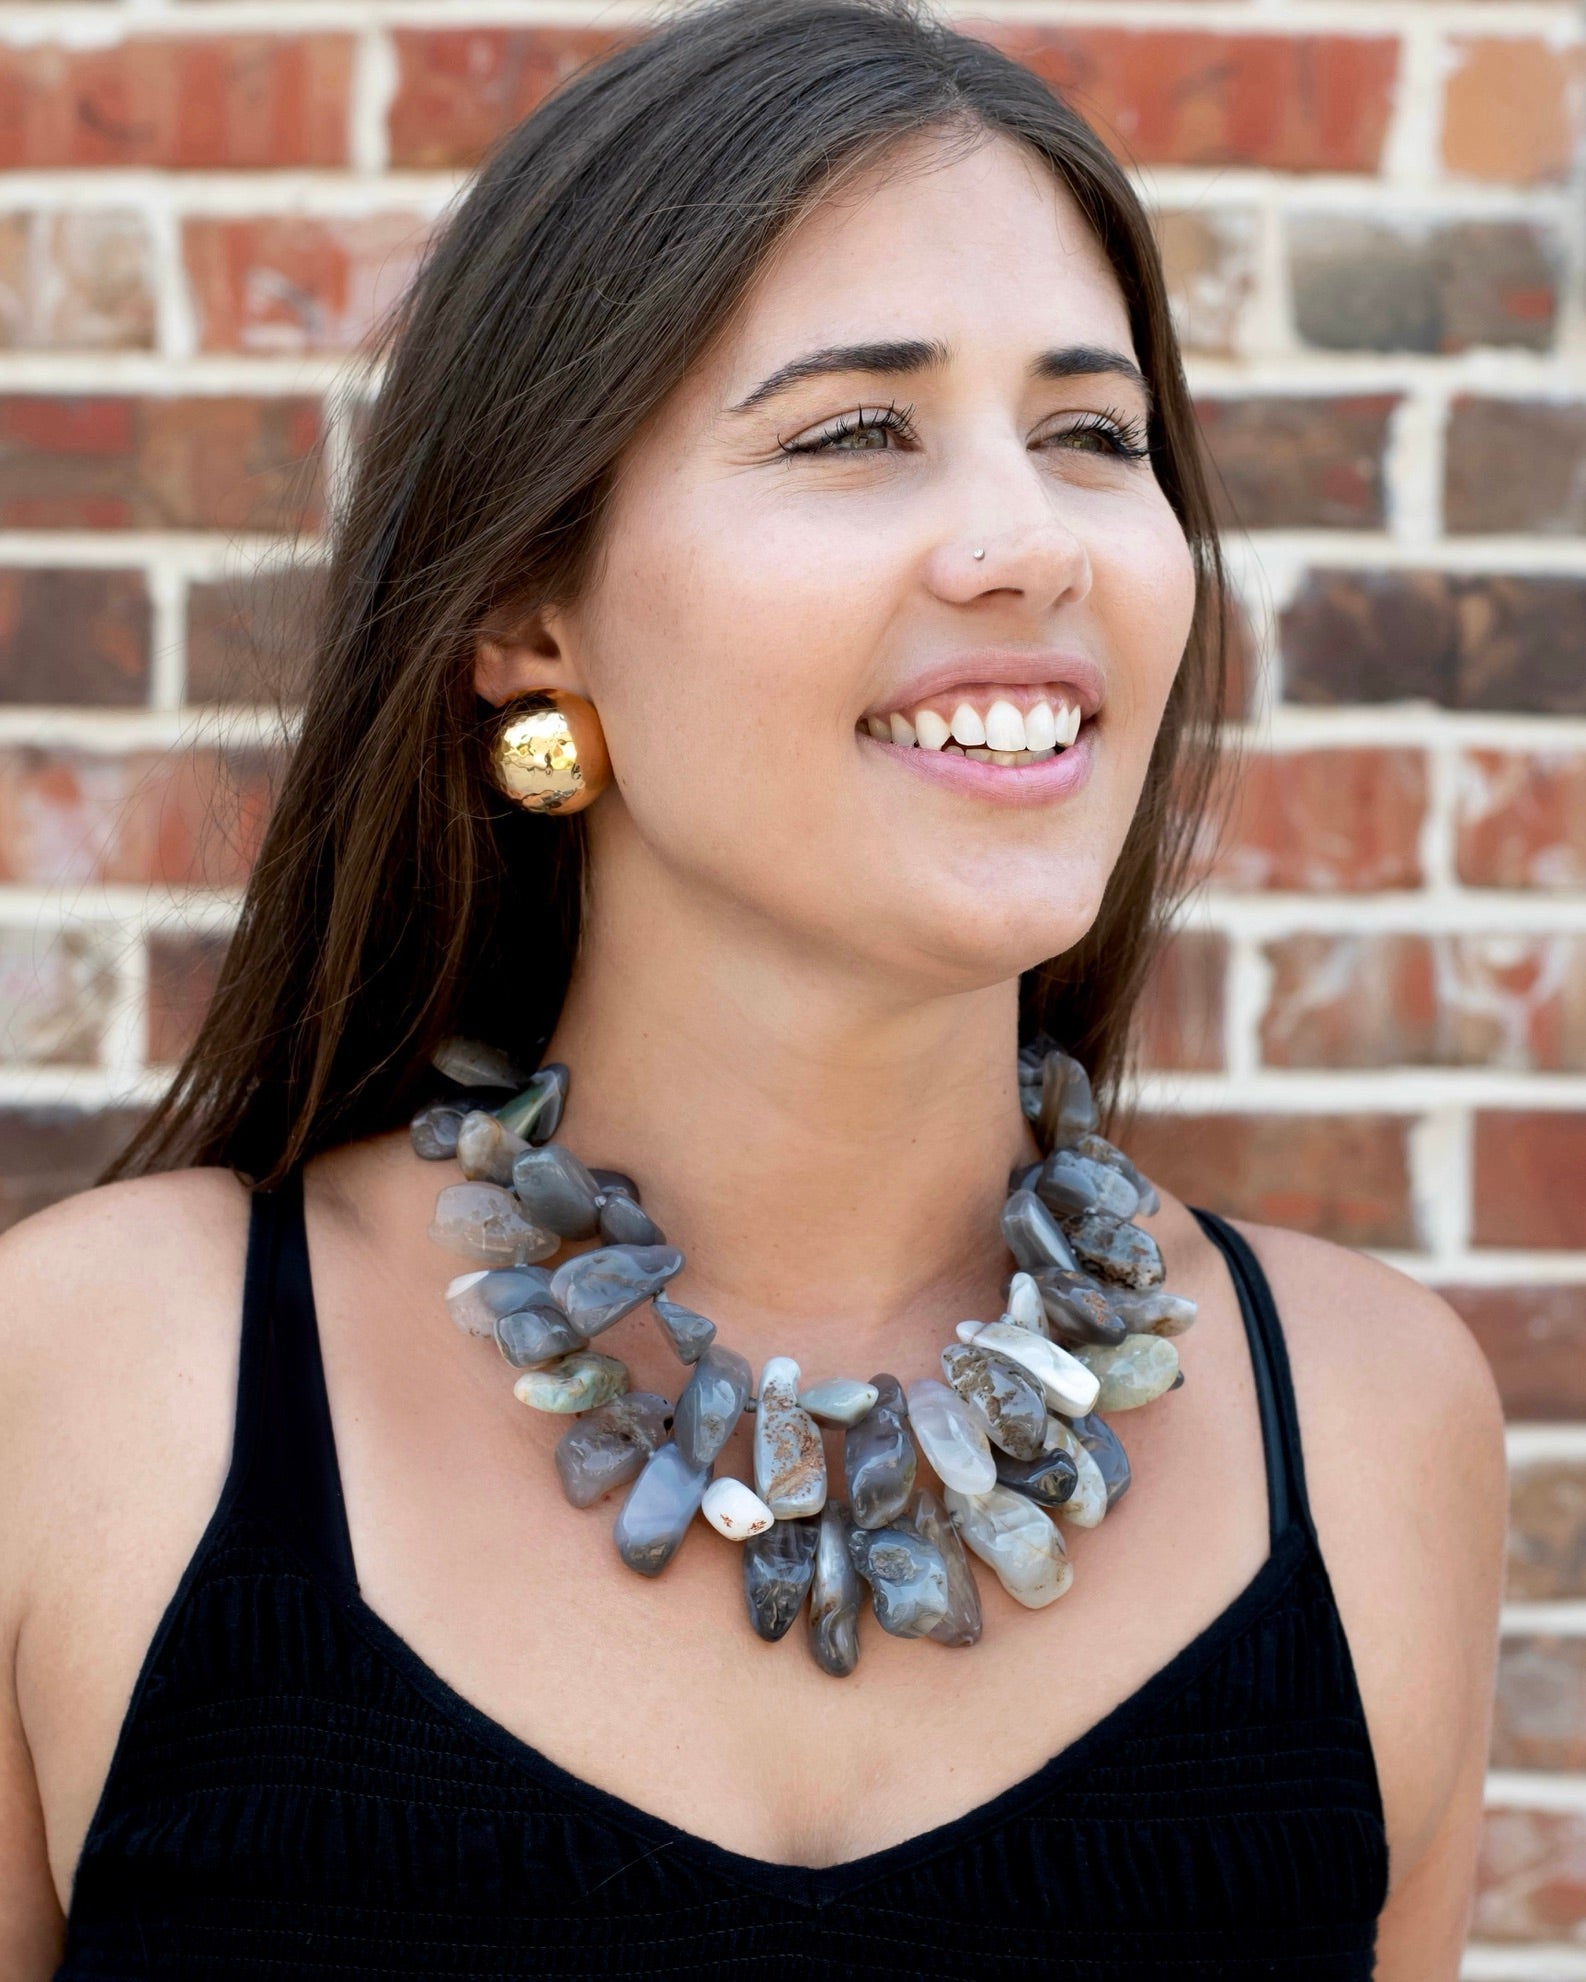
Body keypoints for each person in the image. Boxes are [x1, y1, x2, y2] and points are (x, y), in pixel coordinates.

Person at [0, 2, 1505, 1974]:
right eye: (855, 431)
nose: (1025, 539)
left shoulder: (1378, 1427)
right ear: (528, 616)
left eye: (1091, 435)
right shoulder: (94, 1384)